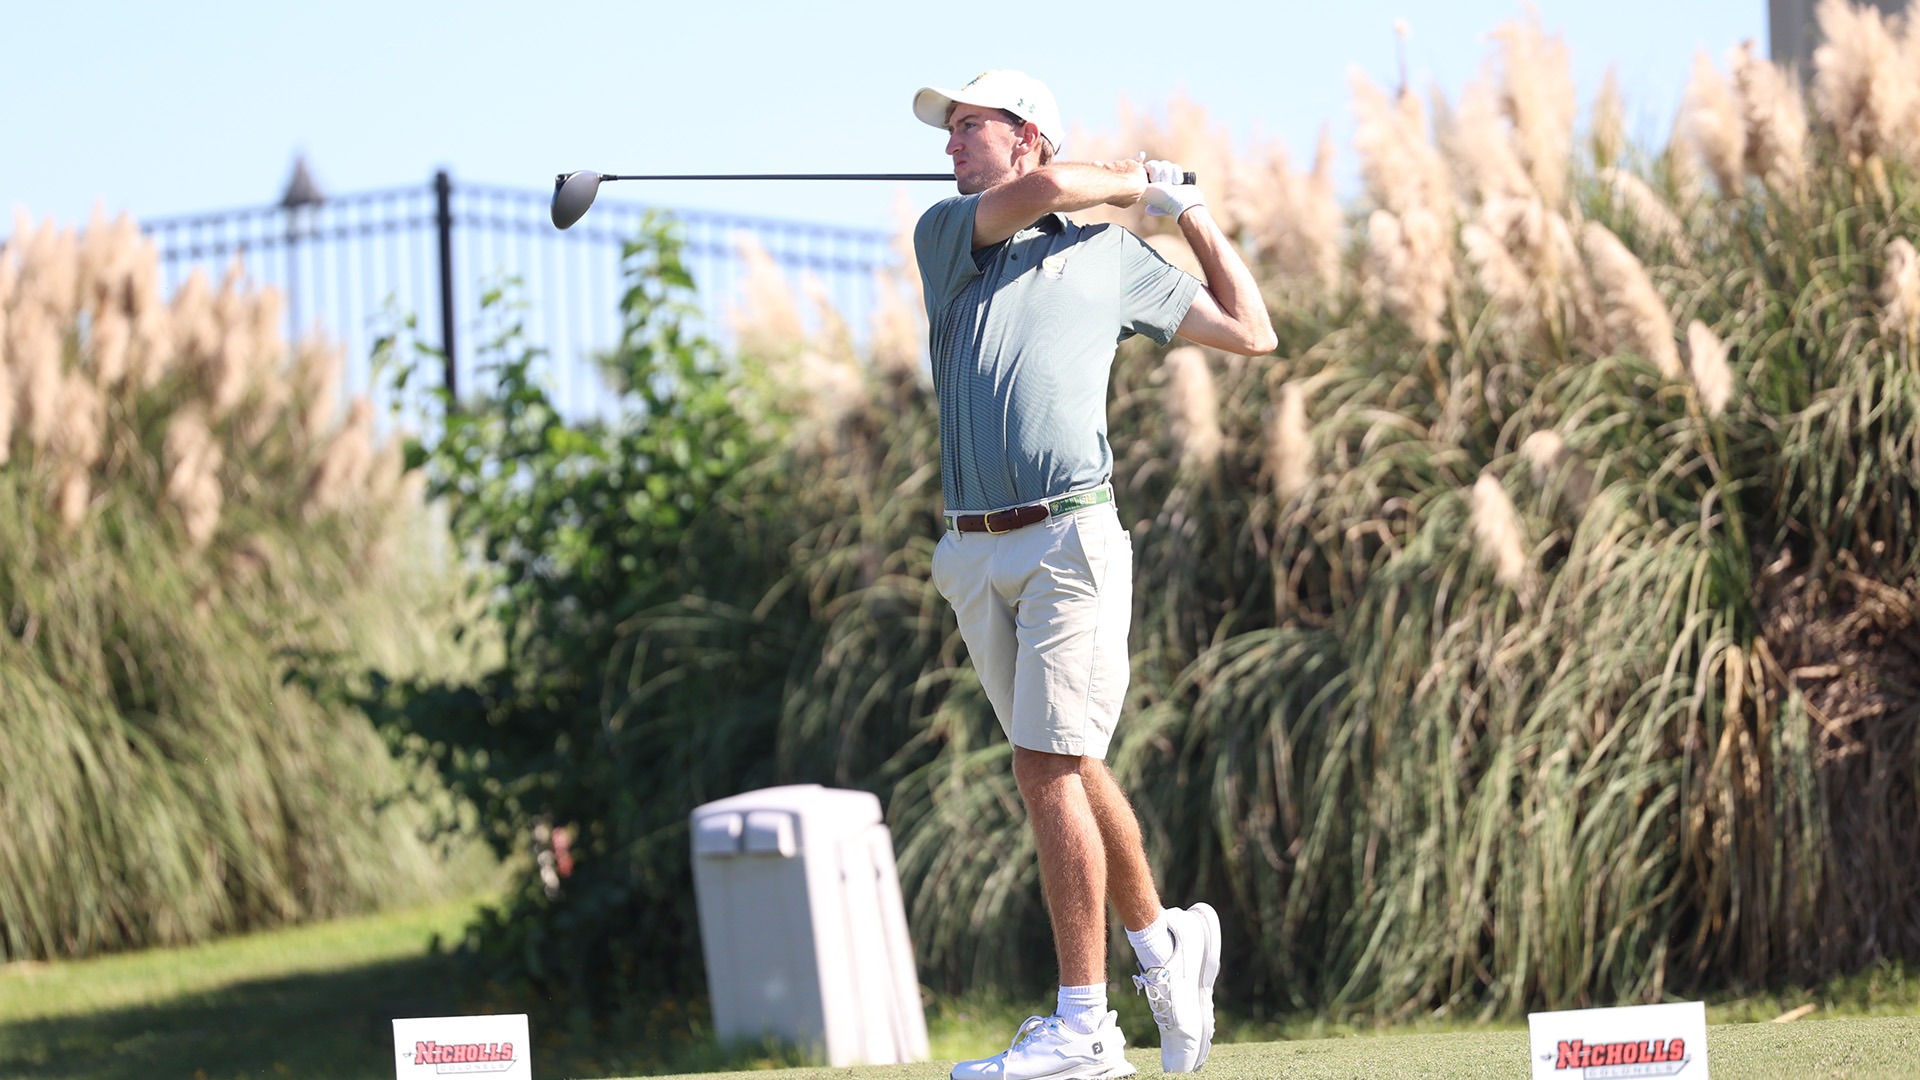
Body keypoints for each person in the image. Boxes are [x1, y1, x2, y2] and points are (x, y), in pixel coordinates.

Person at [910, 70, 1277, 1080]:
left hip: (1070, 538)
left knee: (1045, 766)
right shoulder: (948, 234)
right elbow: (1044, 193)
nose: (951, 143)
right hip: (974, 552)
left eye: (970, 126)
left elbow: (1252, 331)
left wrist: (1188, 215)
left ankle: (1087, 1029)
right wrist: (1131, 179)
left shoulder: (1110, 259)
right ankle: (1165, 947)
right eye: (950, 129)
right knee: (1065, 762)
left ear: (1027, 134)